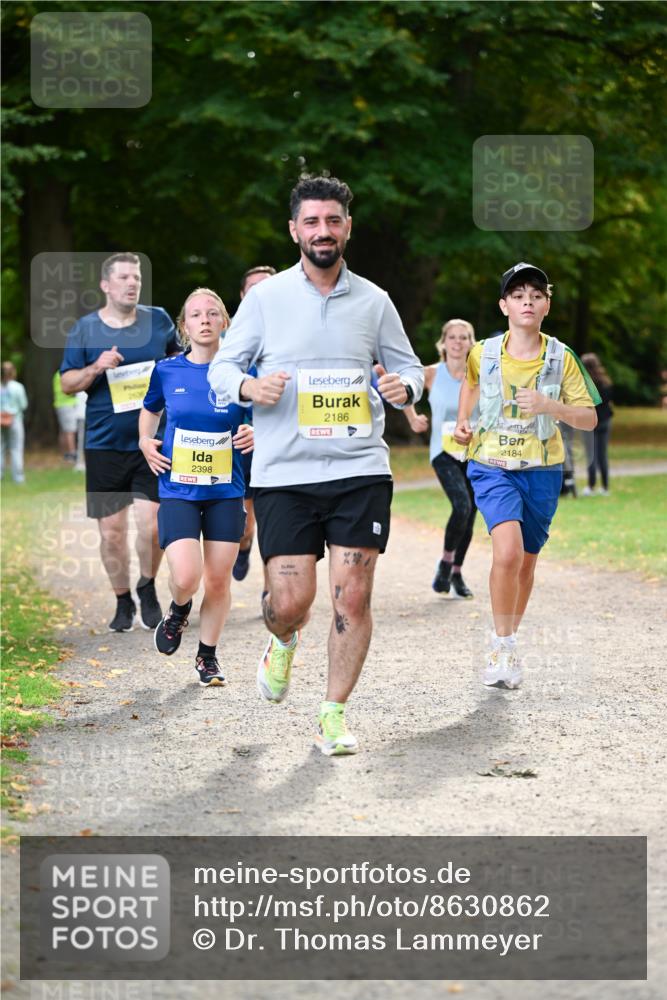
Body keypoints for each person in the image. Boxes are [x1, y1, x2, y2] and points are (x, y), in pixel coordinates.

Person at [208, 174, 424, 755]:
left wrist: (402, 390)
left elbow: (409, 371)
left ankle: (333, 712)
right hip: (286, 476)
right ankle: (282, 642)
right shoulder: (265, 299)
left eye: (333, 220)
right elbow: (220, 372)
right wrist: (253, 385)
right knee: (291, 603)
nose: (323, 231)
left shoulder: (375, 301)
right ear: (294, 230)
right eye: (312, 221)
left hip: (359, 471)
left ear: (347, 226)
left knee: (351, 597)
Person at [454, 262, 599, 690]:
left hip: (543, 470)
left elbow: (589, 419)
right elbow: (471, 384)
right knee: (508, 553)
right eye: (518, 295)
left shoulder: (561, 357)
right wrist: (464, 420)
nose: (527, 302)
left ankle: (509, 639)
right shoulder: (483, 352)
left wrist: (551, 406)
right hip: (492, 466)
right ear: (504, 306)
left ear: (547, 305)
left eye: (536, 295)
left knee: (527, 561)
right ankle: (500, 646)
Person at [139, 288, 253, 686]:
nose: (204, 320)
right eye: (195, 315)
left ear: (224, 321)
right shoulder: (167, 370)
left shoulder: (243, 373)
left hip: (226, 489)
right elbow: (150, 409)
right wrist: (144, 442)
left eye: (212, 313)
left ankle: (207, 657)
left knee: (219, 580)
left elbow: (264, 417)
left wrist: (254, 432)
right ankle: (179, 609)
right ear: (184, 326)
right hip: (178, 488)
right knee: (187, 576)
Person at [60, 252, 178, 632]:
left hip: (151, 443)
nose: (132, 284)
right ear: (106, 285)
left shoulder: (158, 320)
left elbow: (180, 363)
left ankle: (147, 587)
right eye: (124, 277)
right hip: (103, 444)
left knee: (153, 526)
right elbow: (67, 382)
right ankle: (123, 600)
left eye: (137, 278)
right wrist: (97, 367)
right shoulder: (85, 330)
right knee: (111, 534)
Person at [404, 319, 478, 598]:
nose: (458, 343)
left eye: (464, 337)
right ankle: (446, 563)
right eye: (453, 337)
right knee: (461, 505)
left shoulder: (479, 375)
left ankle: (456, 573)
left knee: (471, 514)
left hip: (474, 452)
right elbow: (403, 388)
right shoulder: (432, 374)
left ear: (471, 343)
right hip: (443, 452)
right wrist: (413, 418)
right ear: (443, 342)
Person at [231, 266, 276, 589]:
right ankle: (244, 546)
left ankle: (272, 587)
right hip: (239, 443)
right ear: (243, 296)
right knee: (246, 524)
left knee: (276, 518)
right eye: (254, 289)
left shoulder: (294, 335)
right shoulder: (228, 342)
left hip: (279, 441)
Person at [580, 353, 614, 496]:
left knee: (591, 454)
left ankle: (591, 486)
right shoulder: (605, 381)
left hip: (590, 421)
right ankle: (605, 487)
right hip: (606, 420)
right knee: (602, 454)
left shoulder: (584, 383)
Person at [0, 362, 28, 484]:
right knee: (16, 448)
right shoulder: (18, 387)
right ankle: (18, 477)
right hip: (15, 419)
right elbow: (23, 405)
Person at [52, 370, 78, 463]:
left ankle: (65, 454)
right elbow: (67, 389)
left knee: (64, 431)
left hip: (61, 404)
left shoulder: (58, 373)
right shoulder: (63, 373)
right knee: (70, 430)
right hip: (66, 404)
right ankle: (72, 454)